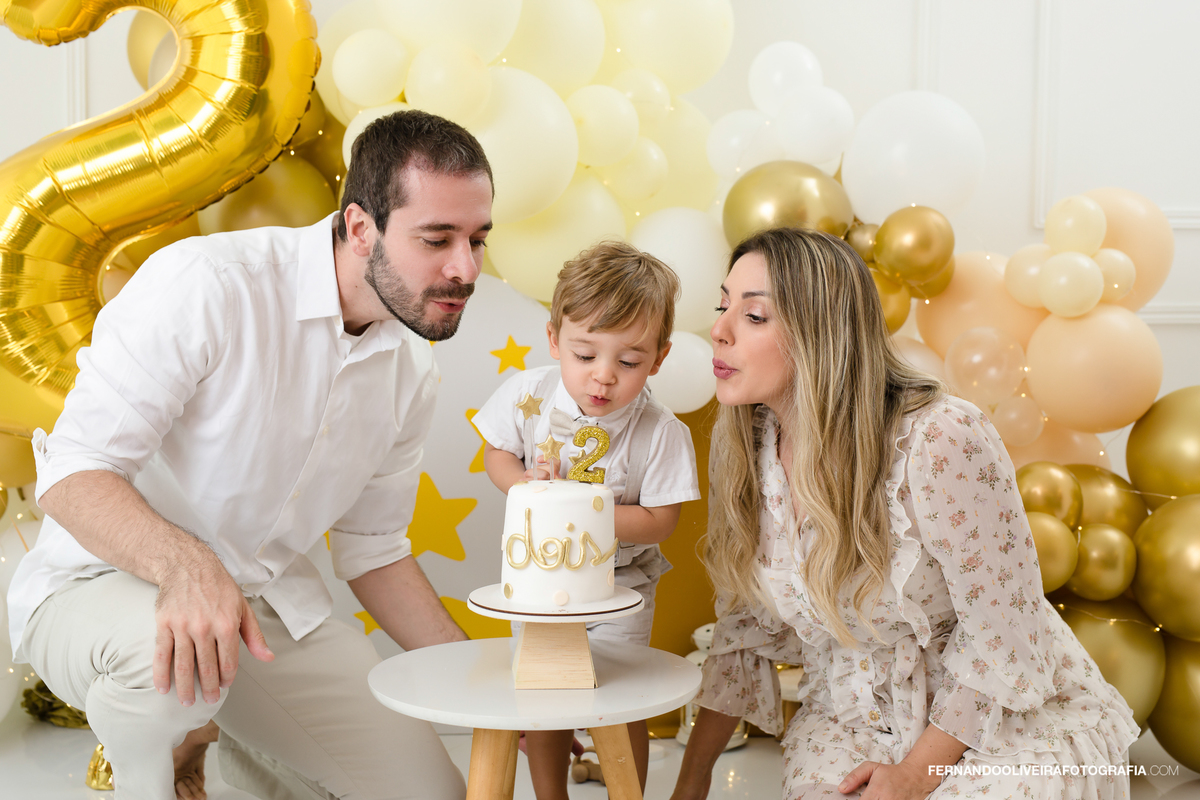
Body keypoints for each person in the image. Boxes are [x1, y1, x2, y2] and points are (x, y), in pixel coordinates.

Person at [5, 109, 494, 800]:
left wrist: (476, 679)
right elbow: (72, 473)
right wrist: (187, 566)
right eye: (437, 239)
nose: (464, 268)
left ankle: (237, 749)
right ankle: (161, 756)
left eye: (477, 239)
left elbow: (374, 549)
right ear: (360, 228)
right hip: (94, 586)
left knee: (432, 795)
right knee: (164, 672)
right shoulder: (207, 284)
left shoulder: (410, 368)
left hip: (264, 612)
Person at [670, 227, 1140, 800]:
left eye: (754, 316)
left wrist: (917, 775)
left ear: (822, 333)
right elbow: (744, 628)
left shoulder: (941, 438)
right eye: (723, 307)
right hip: (851, 719)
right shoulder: (745, 444)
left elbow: (1005, 633)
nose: (717, 331)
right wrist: (688, 787)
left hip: (996, 721)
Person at [473, 241, 702, 799]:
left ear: (659, 358)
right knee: (543, 702)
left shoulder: (661, 431)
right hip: (537, 587)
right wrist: (526, 487)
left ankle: (629, 790)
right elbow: (497, 454)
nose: (602, 378)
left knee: (619, 706)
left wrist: (583, 507)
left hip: (621, 589)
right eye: (584, 355)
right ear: (554, 340)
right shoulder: (527, 395)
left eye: (627, 362)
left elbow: (659, 521)